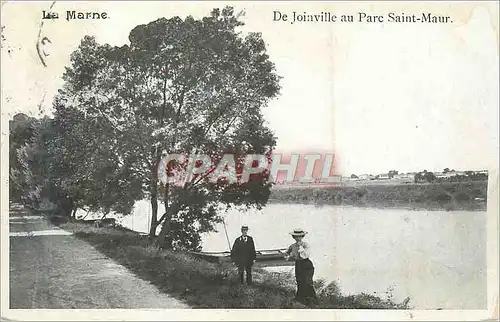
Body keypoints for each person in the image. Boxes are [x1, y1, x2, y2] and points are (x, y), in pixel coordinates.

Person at [285, 229, 318, 305]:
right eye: (296, 237)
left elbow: (304, 256)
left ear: (302, 236)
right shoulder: (292, 246)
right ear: (293, 237)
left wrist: (300, 248)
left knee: (308, 282)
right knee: (299, 281)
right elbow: (288, 253)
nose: (298, 238)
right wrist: (289, 257)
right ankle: (301, 300)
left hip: (306, 264)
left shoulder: (305, 245)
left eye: (299, 236)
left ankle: (312, 300)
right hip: (298, 264)